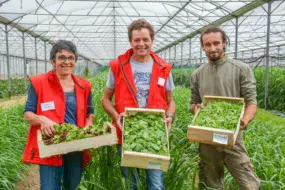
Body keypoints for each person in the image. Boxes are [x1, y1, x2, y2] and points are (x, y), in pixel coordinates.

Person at [101, 19, 176, 190]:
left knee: (156, 184)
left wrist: (169, 116)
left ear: (152, 40)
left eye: (145, 40)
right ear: (130, 42)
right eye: (137, 40)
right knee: (129, 183)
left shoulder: (163, 68)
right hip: (128, 132)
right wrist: (116, 116)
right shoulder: (118, 66)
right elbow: (105, 100)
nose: (141, 44)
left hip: (155, 134)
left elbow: (171, 101)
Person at [190, 26, 261, 189]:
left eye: (216, 43)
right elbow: (193, 103)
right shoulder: (197, 74)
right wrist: (197, 110)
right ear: (202, 47)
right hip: (206, 138)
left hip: (233, 137)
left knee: (249, 184)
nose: (212, 48)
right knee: (210, 183)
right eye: (207, 45)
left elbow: (251, 102)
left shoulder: (241, 69)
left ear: (224, 43)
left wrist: (244, 120)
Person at [22, 40, 94, 190]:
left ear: (75, 61)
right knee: (49, 186)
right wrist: (42, 119)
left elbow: (90, 114)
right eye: (61, 57)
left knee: (72, 186)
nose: (66, 62)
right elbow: (28, 114)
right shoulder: (39, 83)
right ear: (53, 61)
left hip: (76, 145)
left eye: (71, 58)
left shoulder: (84, 86)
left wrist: (87, 128)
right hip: (51, 144)